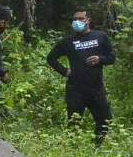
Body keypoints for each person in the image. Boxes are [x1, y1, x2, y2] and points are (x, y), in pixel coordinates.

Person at [47, 9, 116, 146]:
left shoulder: (100, 37)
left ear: (88, 20)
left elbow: (112, 58)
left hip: (96, 88)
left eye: (81, 18)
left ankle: (96, 146)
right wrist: (64, 71)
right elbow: (51, 58)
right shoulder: (68, 41)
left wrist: (100, 59)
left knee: (105, 120)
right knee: (74, 122)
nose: (77, 21)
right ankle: (73, 149)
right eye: (75, 19)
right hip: (75, 89)